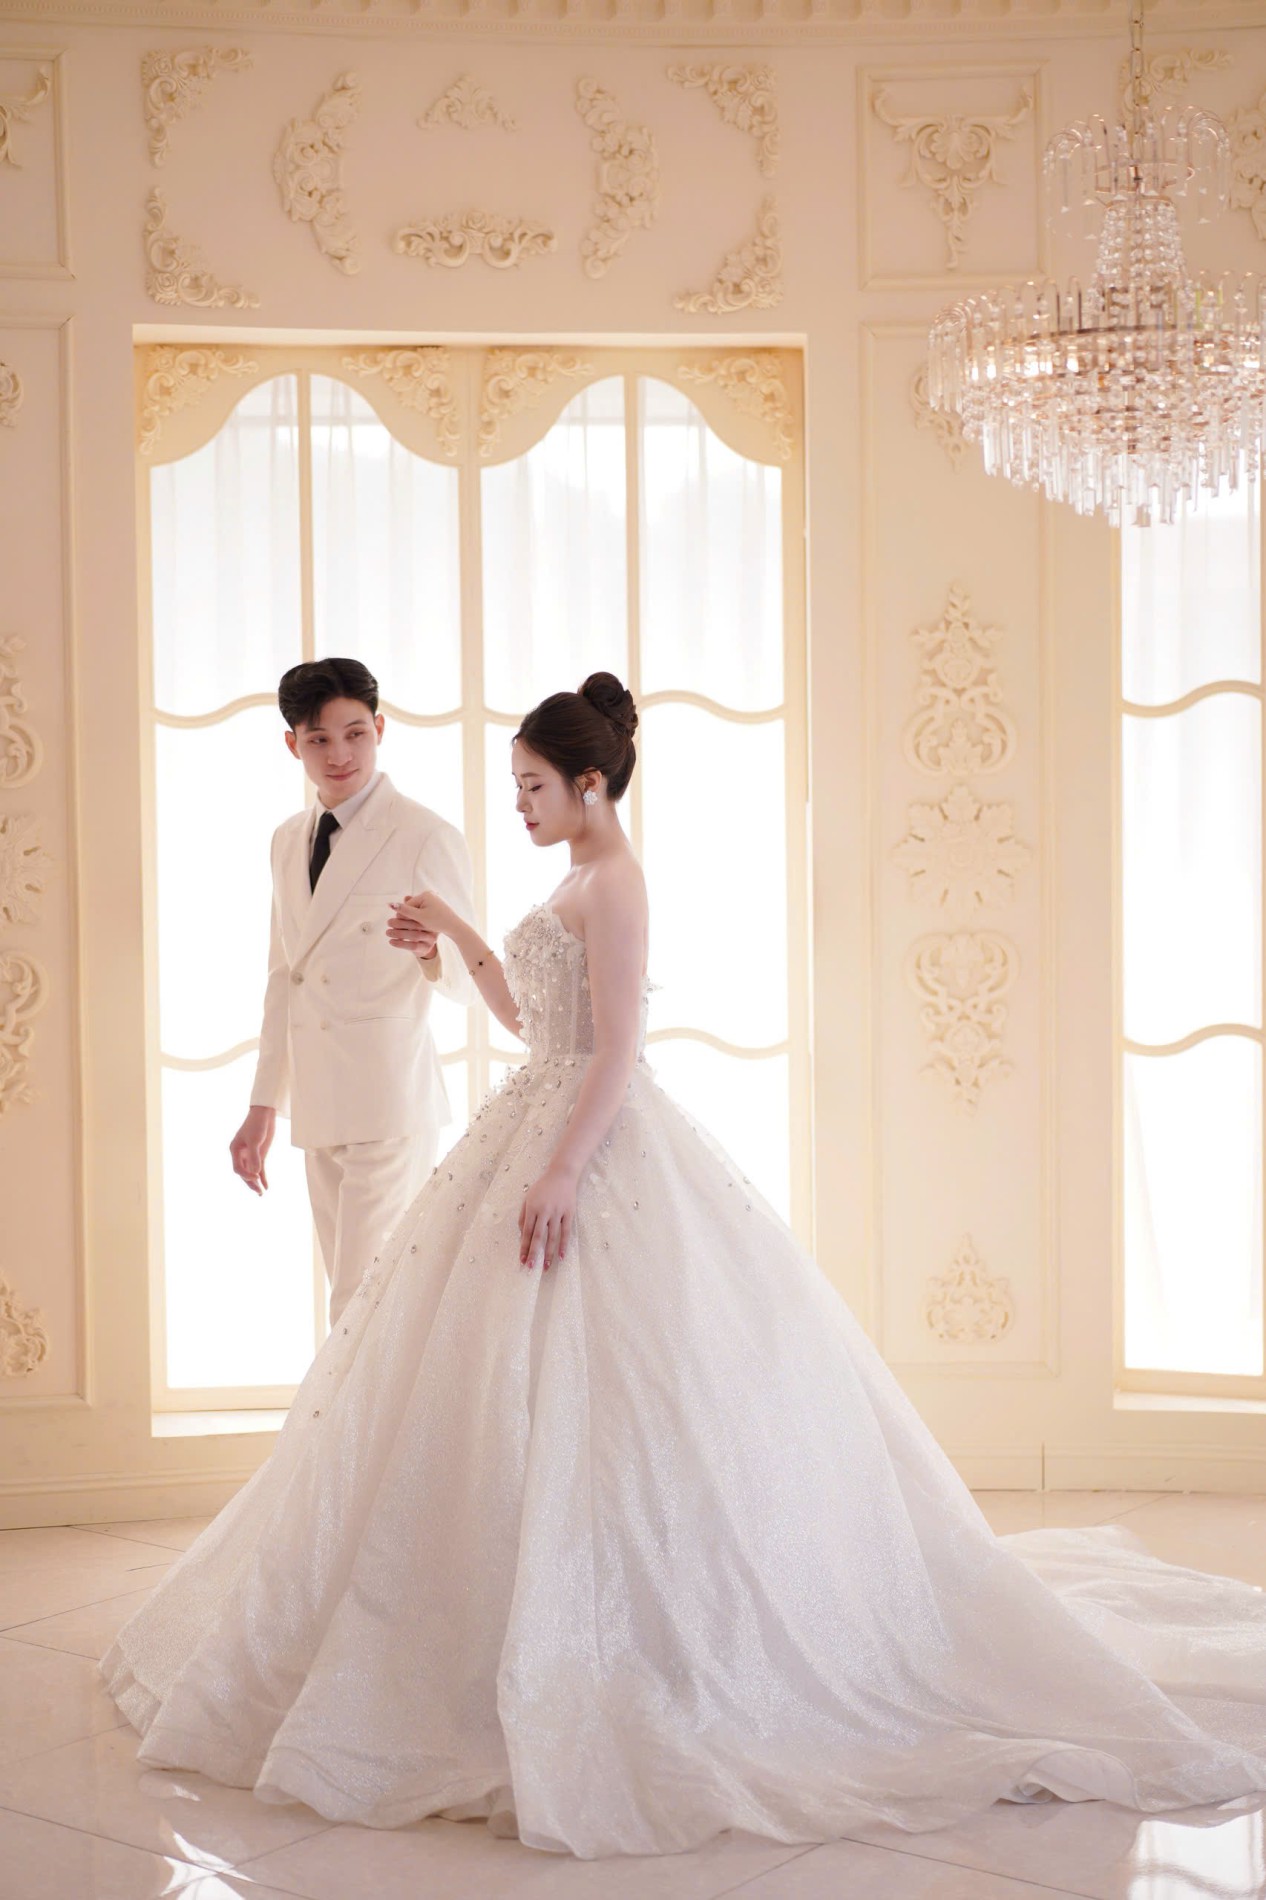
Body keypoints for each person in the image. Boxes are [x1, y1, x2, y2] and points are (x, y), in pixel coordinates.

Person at [107, 672, 1266, 1859]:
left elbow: (617, 1049)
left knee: (629, 1400)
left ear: (590, 783)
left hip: (592, 1145)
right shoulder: (573, 876)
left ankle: (649, 1637)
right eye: (516, 788)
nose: (519, 805)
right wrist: (453, 931)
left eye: (533, 788)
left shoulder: (617, 881)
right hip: (533, 1119)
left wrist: (563, 1171)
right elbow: (531, 1024)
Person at [229, 657, 475, 1324]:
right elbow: (284, 975)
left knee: (359, 1302)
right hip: (319, 1104)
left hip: (389, 1102)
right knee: (356, 1301)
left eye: (355, 734)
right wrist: (263, 1105)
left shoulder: (424, 835)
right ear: (293, 744)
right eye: (319, 739)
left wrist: (430, 951)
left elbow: (471, 980)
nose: (340, 754)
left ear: (380, 729)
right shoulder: (287, 841)